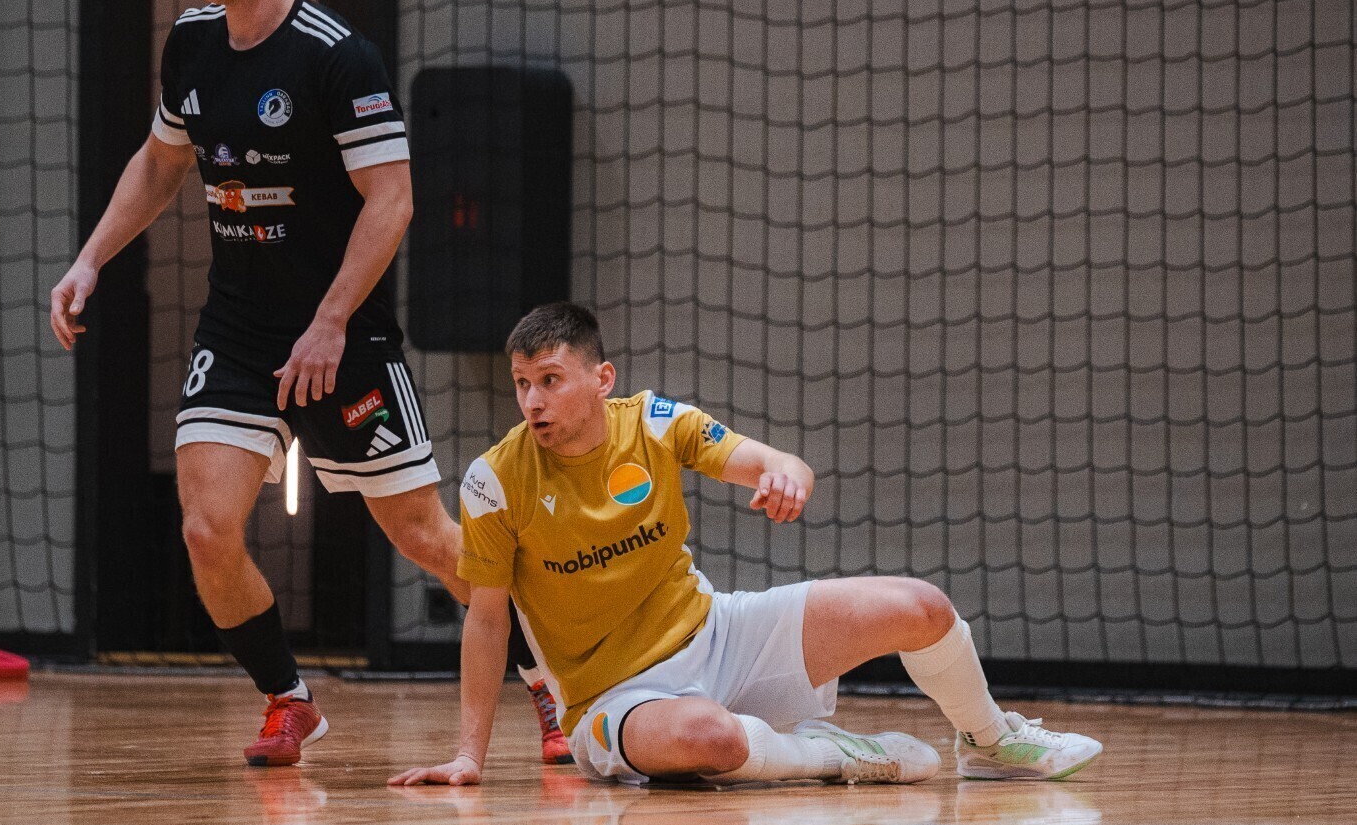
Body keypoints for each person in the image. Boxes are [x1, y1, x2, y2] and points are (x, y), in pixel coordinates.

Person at [48, 0, 566, 766]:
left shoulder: (336, 55)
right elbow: (162, 161)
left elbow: (392, 201)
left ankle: (550, 683)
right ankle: (289, 700)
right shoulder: (191, 43)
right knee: (206, 526)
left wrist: (329, 322)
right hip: (239, 332)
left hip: (345, 335)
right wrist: (91, 259)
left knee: (428, 539)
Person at [390, 302, 1103, 787]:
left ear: (601, 380)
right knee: (711, 738)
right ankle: (835, 755)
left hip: (718, 634)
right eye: (523, 384)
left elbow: (775, 462)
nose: (533, 402)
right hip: (616, 700)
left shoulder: (656, 423)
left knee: (921, 607)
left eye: (550, 380)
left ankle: (988, 741)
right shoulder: (495, 481)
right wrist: (468, 756)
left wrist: (788, 478)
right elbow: (488, 621)